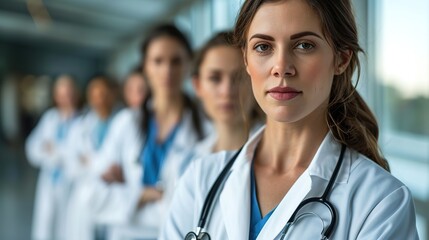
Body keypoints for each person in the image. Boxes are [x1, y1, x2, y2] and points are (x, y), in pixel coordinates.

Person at [160, 0, 420, 239]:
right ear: (246, 61)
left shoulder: (381, 202)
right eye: (263, 47)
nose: (281, 66)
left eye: (304, 45)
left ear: (341, 58)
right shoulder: (200, 180)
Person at [106, 24, 207, 240]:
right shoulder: (126, 123)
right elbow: (92, 194)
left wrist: (127, 200)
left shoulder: (206, 126)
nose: (167, 70)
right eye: (158, 61)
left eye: (176, 61)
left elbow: (199, 206)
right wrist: (142, 195)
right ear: (145, 67)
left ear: (189, 64)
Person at [186, 31, 263, 164]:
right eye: (215, 78)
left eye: (239, 78)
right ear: (197, 85)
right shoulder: (191, 160)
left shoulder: (277, 154)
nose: (227, 91)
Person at [26, 75, 81, 240]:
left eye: (70, 94)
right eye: (62, 95)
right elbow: (32, 147)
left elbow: (79, 156)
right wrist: (57, 153)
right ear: (56, 97)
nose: (67, 99)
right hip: (49, 180)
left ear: (77, 94)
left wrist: (54, 150)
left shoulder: (84, 121)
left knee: (69, 227)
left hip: (71, 182)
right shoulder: (50, 118)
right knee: (45, 225)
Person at [64, 75, 118, 240]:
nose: (100, 99)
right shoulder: (80, 128)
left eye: (104, 94)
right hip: (85, 197)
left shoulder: (122, 123)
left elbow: (123, 167)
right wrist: (102, 166)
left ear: (113, 95)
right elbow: (71, 167)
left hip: (115, 196)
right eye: (95, 94)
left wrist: (89, 161)